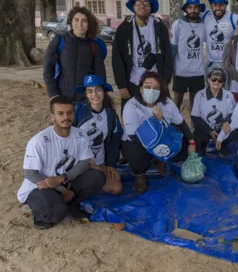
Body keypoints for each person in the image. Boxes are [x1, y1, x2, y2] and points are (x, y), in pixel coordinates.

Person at [17, 96, 106, 229]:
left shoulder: (80, 135)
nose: (66, 117)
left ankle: (71, 204)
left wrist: (62, 179)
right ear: (52, 117)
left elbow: (85, 161)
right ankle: (39, 212)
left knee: (98, 177)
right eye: (60, 113)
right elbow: (30, 174)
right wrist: (61, 189)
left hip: (63, 181)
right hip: (39, 186)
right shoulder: (39, 141)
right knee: (55, 213)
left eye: (69, 112)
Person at [121, 71, 196, 193]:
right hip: (137, 142)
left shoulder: (167, 103)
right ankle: (140, 175)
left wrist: (192, 141)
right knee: (136, 153)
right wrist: (157, 121)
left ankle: (159, 160)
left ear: (161, 90)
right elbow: (135, 136)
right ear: (141, 88)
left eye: (156, 88)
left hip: (160, 139)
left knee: (182, 141)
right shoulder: (131, 105)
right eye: (148, 86)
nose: (151, 90)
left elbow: (180, 122)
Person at [112, 0, 174, 111]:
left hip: (156, 81)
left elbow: (168, 55)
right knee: (131, 114)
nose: (142, 6)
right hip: (133, 81)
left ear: (151, 8)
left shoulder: (159, 26)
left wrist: (165, 81)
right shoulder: (124, 27)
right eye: (138, 3)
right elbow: (117, 58)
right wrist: (121, 85)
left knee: (162, 114)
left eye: (146, 3)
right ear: (133, 7)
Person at [73, 75, 123, 195]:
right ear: (85, 94)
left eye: (98, 90)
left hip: (100, 160)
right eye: (89, 91)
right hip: (80, 161)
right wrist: (85, 161)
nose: (94, 94)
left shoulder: (110, 114)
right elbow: (68, 139)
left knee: (116, 189)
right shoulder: (77, 112)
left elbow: (116, 140)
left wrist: (111, 164)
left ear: (104, 92)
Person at [43, 7, 106, 100]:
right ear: (71, 21)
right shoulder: (59, 41)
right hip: (62, 98)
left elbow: (100, 74)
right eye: (76, 20)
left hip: (86, 100)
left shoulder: (94, 46)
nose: (80, 24)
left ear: (89, 24)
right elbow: (48, 70)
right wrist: (53, 94)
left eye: (84, 20)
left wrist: (99, 96)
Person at [170, 0, 206, 111]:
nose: (193, 10)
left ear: (199, 9)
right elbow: (173, 46)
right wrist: (171, 68)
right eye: (190, 7)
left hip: (198, 71)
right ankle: (175, 126)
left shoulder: (203, 25)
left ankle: (193, 127)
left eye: (195, 7)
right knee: (177, 101)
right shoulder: (178, 23)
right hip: (180, 70)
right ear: (186, 9)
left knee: (195, 104)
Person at [191, 68, 236, 157]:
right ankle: (202, 148)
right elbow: (195, 117)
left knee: (233, 131)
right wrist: (210, 131)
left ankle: (222, 146)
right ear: (208, 79)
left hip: (222, 127)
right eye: (213, 79)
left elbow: (232, 114)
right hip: (205, 127)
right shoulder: (199, 95)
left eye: (220, 80)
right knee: (198, 135)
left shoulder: (229, 95)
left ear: (223, 82)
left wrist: (224, 126)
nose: (216, 82)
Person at [202, 0, 238, 75]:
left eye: (221, 5)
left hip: (226, 63)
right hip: (211, 63)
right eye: (215, 5)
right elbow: (191, 18)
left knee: (226, 88)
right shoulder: (205, 16)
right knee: (211, 87)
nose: (218, 8)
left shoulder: (233, 18)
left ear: (225, 5)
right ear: (211, 6)